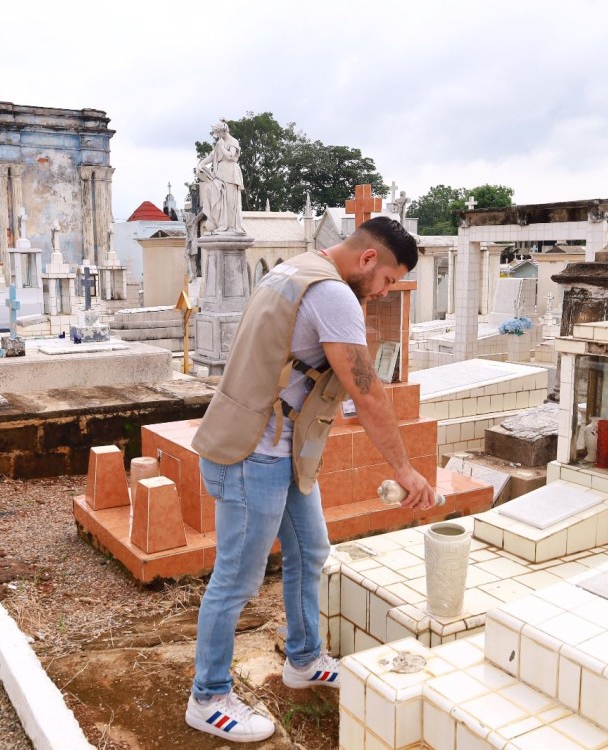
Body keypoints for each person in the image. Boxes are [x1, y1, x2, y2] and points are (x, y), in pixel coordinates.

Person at [184, 217, 435, 743]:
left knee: (311, 550)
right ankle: (207, 697)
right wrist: (405, 469)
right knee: (237, 577)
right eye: (388, 279)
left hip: (282, 450)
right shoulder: (334, 295)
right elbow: (366, 393)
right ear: (368, 260)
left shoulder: (293, 270)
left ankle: (303, 659)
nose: (385, 292)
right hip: (256, 453)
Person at [196, 120, 245, 234]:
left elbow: (231, 157)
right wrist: (201, 164)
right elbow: (212, 156)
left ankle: (232, 227)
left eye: (216, 133)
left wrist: (222, 147)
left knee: (230, 202)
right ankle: (223, 225)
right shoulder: (219, 142)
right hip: (220, 174)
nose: (216, 136)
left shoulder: (233, 141)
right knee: (221, 201)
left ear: (222, 132)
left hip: (231, 174)